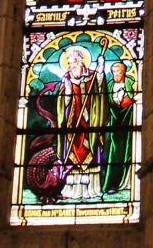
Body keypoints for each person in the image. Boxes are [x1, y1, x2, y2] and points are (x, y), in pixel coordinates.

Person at [56, 47, 108, 200]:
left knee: (91, 149)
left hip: (90, 121)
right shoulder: (66, 78)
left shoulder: (92, 76)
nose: (71, 67)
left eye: (73, 63)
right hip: (73, 125)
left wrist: (100, 70)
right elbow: (61, 105)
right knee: (72, 154)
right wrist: (67, 93)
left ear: (81, 63)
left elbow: (100, 91)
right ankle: (72, 189)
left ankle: (92, 189)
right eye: (69, 64)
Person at [100, 60, 135, 194]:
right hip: (114, 124)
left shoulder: (131, 83)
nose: (116, 74)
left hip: (129, 122)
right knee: (113, 153)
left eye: (118, 71)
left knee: (128, 151)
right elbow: (105, 103)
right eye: (113, 72)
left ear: (124, 71)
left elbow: (134, 98)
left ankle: (126, 182)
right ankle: (111, 184)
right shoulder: (109, 86)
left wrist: (127, 99)